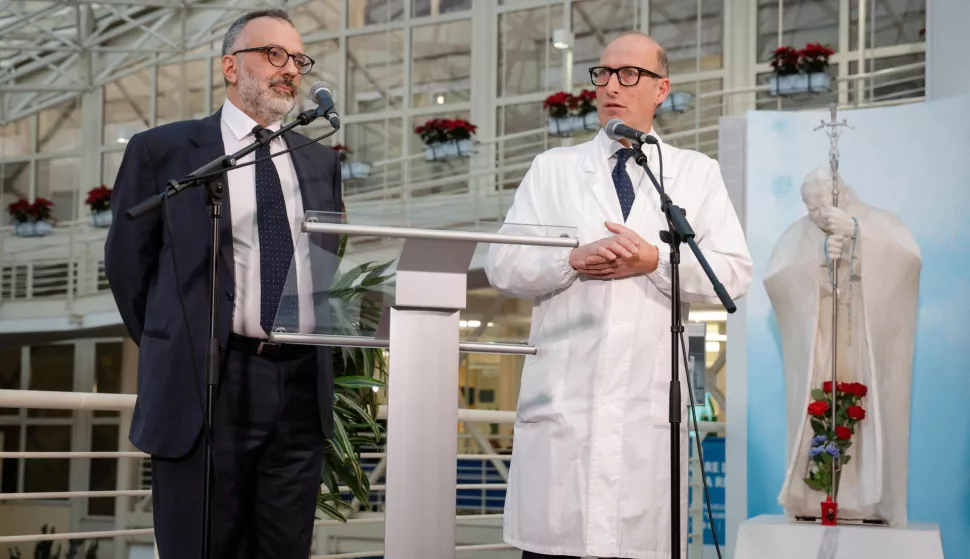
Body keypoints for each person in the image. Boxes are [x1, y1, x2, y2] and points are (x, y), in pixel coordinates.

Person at [484, 31, 753, 559]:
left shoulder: (695, 174)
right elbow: (502, 264)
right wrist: (570, 260)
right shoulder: (553, 169)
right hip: (564, 429)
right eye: (603, 73)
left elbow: (734, 274)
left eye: (629, 74)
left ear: (661, 89)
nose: (611, 85)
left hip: (643, 435)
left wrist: (653, 261)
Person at [104, 9, 341, 559]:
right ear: (231, 67)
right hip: (209, 381)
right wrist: (180, 341)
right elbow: (127, 267)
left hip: (300, 388)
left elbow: (324, 264)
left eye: (298, 59)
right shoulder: (164, 151)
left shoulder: (318, 161)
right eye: (274, 55)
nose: (291, 70)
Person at [768, 167, 921, 525]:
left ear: (843, 195)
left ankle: (870, 502)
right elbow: (778, 280)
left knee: (872, 408)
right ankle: (816, 497)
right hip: (822, 345)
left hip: (867, 344)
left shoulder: (882, 223)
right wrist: (820, 261)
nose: (817, 212)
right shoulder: (798, 234)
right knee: (818, 406)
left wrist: (858, 236)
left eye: (822, 204)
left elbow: (908, 260)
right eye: (810, 206)